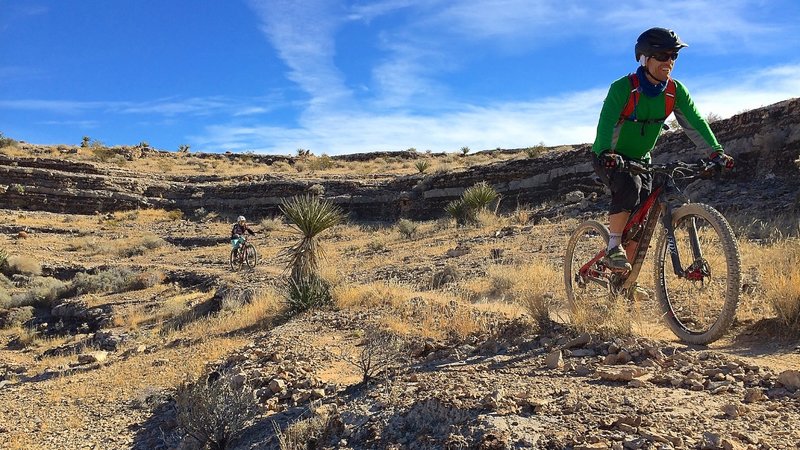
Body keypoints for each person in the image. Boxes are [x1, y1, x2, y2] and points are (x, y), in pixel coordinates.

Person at [591, 27, 734, 271]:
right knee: (629, 188)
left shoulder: (674, 91)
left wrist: (715, 152)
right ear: (645, 58)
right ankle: (614, 246)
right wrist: (606, 152)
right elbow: (605, 122)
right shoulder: (623, 88)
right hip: (611, 158)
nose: (669, 62)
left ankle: (626, 280)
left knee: (643, 220)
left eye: (673, 56)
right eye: (662, 56)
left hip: (642, 159)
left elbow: (695, 123)